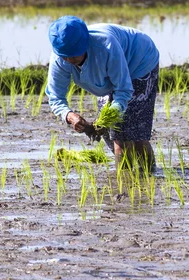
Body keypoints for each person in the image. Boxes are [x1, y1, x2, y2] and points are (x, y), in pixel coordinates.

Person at [45, 16, 160, 171]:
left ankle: (141, 178)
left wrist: (112, 116)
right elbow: (55, 96)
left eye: (74, 54)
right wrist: (70, 116)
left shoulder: (106, 45)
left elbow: (123, 89)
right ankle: (133, 179)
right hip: (108, 76)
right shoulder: (61, 58)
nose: (69, 59)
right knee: (108, 134)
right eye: (65, 55)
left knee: (126, 136)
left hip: (139, 61)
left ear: (85, 45)